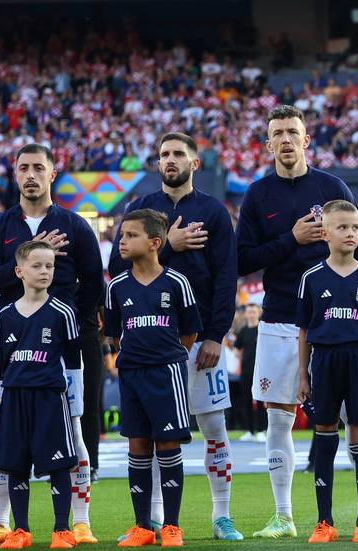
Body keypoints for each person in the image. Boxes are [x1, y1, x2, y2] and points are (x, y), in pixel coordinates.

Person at [235, 105, 358, 538]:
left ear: (306, 140)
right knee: (278, 417)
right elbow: (242, 260)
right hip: (280, 319)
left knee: (352, 415)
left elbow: (357, 251)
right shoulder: (257, 194)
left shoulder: (332, 186)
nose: (286, 139)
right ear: (268, 144)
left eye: (293, 131)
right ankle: (284, 514)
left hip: (334, 324)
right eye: (277, 133)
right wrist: (291, 239)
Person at [108, 133, 242, 541]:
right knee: (147, 432)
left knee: (214, 426)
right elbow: (118, 265)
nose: (170, 160)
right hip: (152, 342)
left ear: (194, 163)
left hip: (201, 341)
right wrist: (170, 245)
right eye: (164, 154)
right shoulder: (140, 208)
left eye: (178, 154)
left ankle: (222, 515)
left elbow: (225, 276)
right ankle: (150, 519)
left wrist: (216, 334)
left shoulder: (214, 212)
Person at [0, 144, 103, 546]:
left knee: (76, 432)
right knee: (4, 434)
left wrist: (69, 325)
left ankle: (79, 521)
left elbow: (94, 283)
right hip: (10, 346)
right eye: (24, 167)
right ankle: (0, 521)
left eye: (38, 168)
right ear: (15, 173)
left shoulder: (76, 225)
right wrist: (27, 257)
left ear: (52, 173)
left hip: (64, 348)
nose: (31, 174)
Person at [295, 200, 358, 543]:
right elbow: (304, 330)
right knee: (324, 430)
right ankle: (325, 521)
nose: (350, 233)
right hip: (323, 361)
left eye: (355, 227)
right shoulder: (311, 278)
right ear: (325, 233)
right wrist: (303, 375)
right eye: (342, 227)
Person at [106, 209, 202, 548]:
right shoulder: (116, 286)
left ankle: (172, 526)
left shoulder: (177, 282)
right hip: (131, 373)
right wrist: (135, 356)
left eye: (131, 235)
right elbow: (115, 334)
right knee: (137, 445)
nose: (123, 240)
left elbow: (190, 332)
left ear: (154, 243)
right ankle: (142, 526)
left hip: (168, 371)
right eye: (122, 235)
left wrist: (168, 355)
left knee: (168, 444)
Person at [0, 241, 82, 550]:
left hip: (50, 397)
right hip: (15, 397)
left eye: (49, 266)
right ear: (19, 272)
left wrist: (71, 396)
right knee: (15, 464)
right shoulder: (5, 316)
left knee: (58, 464)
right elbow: (2, 365)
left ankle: (62, 530)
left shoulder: (63, 312)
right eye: (37, 266)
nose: (44, 271)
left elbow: (73, 359)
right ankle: (21, 530)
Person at [234, 304, 267, 442]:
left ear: (258, 313)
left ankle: (261, 430)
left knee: (261, 400)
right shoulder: (243, 331)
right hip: (246, 370)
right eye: (249, 312)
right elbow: (236, 349)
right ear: (246, 314)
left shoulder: (263, 329)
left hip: (262, 370)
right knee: (246, 400)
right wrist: (242, 358)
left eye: (254, 311)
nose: (251, 314)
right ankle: (250, 430)